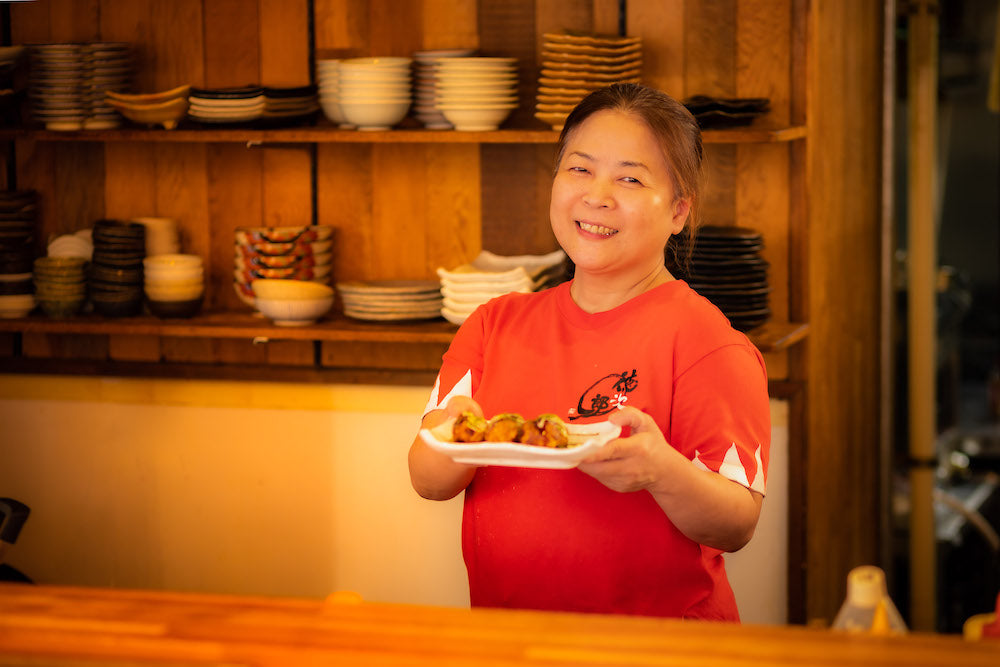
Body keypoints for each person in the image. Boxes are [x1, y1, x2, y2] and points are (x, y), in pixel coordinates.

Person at [408, 83, 770, 621]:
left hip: (661, 651)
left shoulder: (707, 341)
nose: (597, 195)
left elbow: (737, 523)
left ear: (678, 211)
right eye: (579, 169)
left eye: (630, 177)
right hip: (512, 642)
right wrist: (453, 437)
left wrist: (659, 472)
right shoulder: (493, 324)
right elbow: (427, 481)